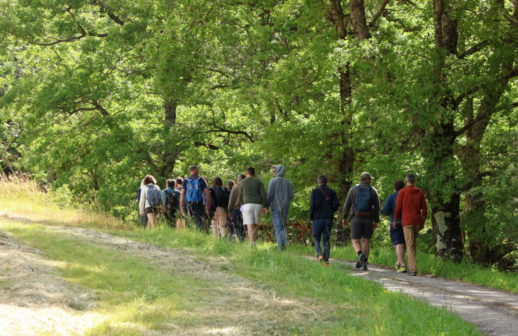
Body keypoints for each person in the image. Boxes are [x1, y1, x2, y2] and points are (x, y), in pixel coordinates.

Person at [342, 172, 380, 271]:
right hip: (368, 218)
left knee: (355, 240)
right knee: (365, 240)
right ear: (368, 179)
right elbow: (377, 207)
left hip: (356, 218)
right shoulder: (373, 190)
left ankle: (360, 254)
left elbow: (347, 205)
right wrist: (376, 220)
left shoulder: (353, 189)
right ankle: (365, 263)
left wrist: (344, 217)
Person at [394, 174, 428, 276]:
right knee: (412, 244)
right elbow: (425, 209)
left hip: (407, 221)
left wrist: (395, 220)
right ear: (414, 181)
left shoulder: (402, 192)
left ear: (406, 181)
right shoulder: (420, 192)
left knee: (409, 245)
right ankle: (411, 266)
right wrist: (423, 220)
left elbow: (398, 207)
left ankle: (412, 269)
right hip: (417, 221)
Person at [310, 175, 340, 265]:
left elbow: (312, 206)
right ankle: (326, 259)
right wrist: (332, 211)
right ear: (327, 182)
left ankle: (319, 255)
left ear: (318, 182)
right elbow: (337, 204)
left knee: (316, 238)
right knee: (326, 239)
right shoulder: (332, 191)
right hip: (328, 218)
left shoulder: (315, 191)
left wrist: (312, 218)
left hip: (317, 218)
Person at [266, 165, 295, 251]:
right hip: (285, 207)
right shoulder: (288, 182)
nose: (273, 173)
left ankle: (280, 246)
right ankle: (284, 244)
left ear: (277, 171)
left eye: (274, 171)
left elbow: (270, 195)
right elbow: (292, 195)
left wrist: (266, 206)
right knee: (283, 225)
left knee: (277, 226)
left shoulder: (273, 181)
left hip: (275, 206)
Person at [238, 166, 268, 246]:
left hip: (247, 205)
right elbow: (263, 194)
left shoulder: (242, 182)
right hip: (258, 205)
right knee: (255, 224)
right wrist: (265, 206)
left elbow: (241, 194)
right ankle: (254, 242)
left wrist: (242, 204)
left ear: (247, 173)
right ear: (254, 174)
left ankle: (251, 244)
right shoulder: (259, 182)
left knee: (249, 224)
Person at [382, 179, 407, 273]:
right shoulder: (406, 196)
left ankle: (403, 265)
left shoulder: (391, 197)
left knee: (399, 244)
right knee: (403, 244)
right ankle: (398, 263)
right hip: (407, 222)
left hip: (395, 222)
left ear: (394, 187)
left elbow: (385, 211)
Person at [180, 166, 210, 232]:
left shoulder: (186, 180)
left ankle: (189, 236)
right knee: (199, 223)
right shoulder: (202, 180)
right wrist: (207, 205)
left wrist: (181, 207)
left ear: (190, 171)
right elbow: (207, 193)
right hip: (199, 204)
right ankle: (199, 237)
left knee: (188, 222)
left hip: (188, 204)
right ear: (196, 171)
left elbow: (182, 194)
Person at [228, 174, 246, 242]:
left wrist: (230, 211)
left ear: (238, 180)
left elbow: (231, 200)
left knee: (236, 225)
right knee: (244, 225)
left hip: (236, 209)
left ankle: (239, 238)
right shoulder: (246, 187)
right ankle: (242, 238)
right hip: (245, 209)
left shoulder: (234, 188)